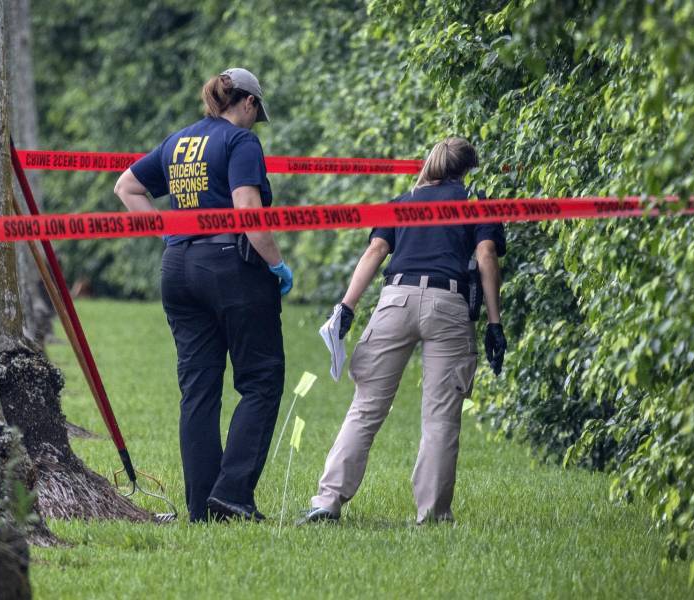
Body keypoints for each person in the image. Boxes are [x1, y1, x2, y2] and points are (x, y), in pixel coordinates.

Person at [114, 68, 292, 523]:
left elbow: (127, 187)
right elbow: (248, 209)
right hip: (231, 267)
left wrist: (170, 235)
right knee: (261, 378)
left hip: (178, 270)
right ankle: (232, 494)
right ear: (248, 103)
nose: (257, 122)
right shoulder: (241, 141)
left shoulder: (180, 141)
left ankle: (201, 507)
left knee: (198, 390)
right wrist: (276, 265)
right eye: (258, 112)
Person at [300, 137, 507, 525]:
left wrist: (346, 307)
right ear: (467, 171)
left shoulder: (402, 203)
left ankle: (327, 502)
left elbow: (375, 252)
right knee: (441, 416)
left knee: (365, 407)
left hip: (395, 299)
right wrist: (494, 324)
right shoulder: (477, 205)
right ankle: (431, 514)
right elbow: (485, 256)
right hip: (449, 303)